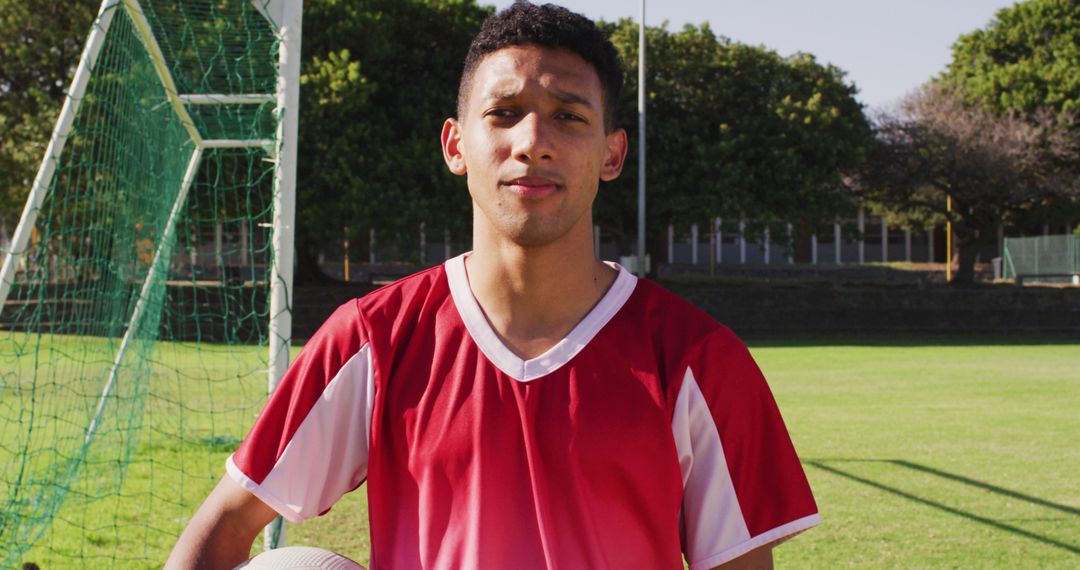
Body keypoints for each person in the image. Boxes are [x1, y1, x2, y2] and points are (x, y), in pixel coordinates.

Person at [165, 3, 819, 569]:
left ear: (612, 154)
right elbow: (223, 525)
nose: (532, 141)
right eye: (504, 113)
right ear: (456, 145)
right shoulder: (372, 338)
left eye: (568, 117)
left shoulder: (698, 359)